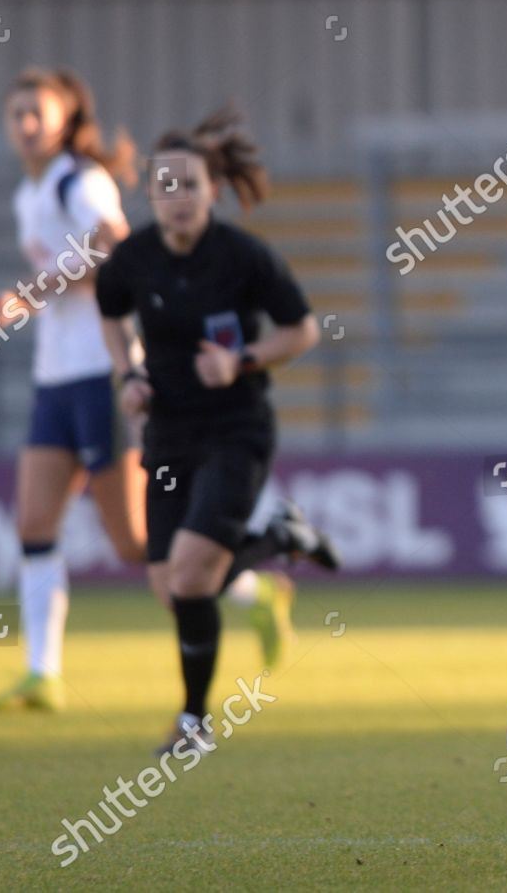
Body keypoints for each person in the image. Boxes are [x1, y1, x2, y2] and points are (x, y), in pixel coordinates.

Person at [95, 106, 337, 753]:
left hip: (237, 428)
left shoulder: (244, 257)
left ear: (213, 190)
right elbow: (111, 313)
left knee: (194, 575)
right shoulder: (133, 259)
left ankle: (192, 722)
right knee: (173, 588)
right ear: (148, 193)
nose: (177, 197)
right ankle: (279, 536)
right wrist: (129, 375)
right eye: (164, 185)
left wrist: (244, 359)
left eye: (190, 184)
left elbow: (303, 329)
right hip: (169, 436)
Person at [0, 68, 145, 713]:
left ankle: (249, 584)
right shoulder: (32, 194)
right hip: (55, 377)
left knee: (131, 542)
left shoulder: (82, 179)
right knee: (33, 523)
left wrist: (28, 296)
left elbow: (114, 249)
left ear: (65, 120)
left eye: (35, 113)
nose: (24, 125)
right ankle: (42, 673)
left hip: (102, 370)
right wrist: (25, 300)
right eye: (15, 113)